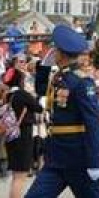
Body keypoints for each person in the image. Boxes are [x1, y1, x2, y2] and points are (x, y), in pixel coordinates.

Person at [25, 25, 99, 198]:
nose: (53, 52)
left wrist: (95, 161)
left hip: (78, 159)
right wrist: (44, 64)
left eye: (55, 50)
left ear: (61, 54)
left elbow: (93, 123)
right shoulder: (59, 77)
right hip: (56, 157)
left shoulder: (82, 82)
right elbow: (41, 90)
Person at [3, 59, 43, 198]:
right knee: (21, 176)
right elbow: (39, 108)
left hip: (10, 136)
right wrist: (33, 96)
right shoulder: (22, 94)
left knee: (16, 175)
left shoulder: (7, 95)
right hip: (23, 135)